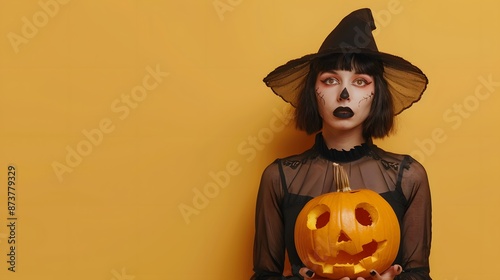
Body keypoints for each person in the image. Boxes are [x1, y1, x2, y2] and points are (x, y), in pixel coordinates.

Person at [251, 8, 432, 280]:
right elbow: (264, 275)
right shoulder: (279, 178)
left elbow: (419, 274)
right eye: (330, 80)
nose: (344, 94)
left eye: (360, 81)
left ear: (376, 94)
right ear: (313, 91)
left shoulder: (408, 177)